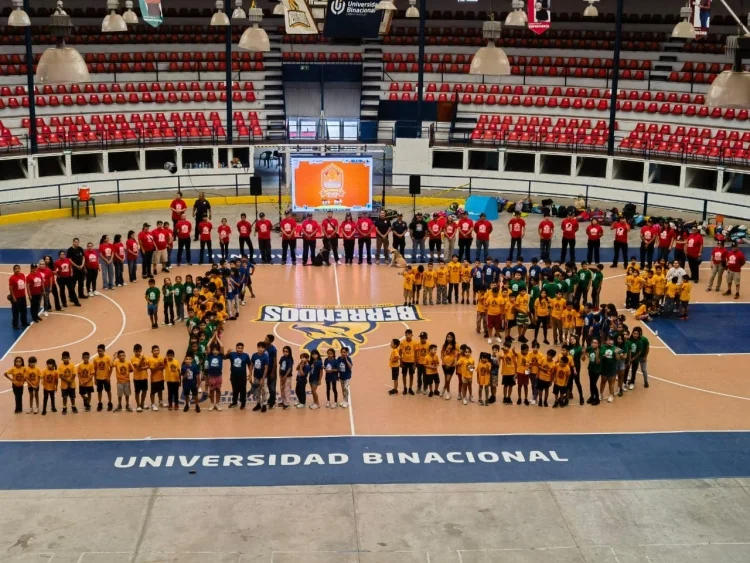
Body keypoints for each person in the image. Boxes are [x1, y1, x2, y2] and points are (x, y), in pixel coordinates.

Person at [225, 342, 250, 409]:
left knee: (243, 390)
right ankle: (234, 402)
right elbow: (224, 357)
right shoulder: (232, 354)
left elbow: (249, 365)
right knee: (235, 389)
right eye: (238, 348)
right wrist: (228, 352)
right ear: (236, 348)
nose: (240, 349)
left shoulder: (246, 355)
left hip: (242, 376)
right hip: (234, 376)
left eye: (241, 348)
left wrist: (250, 374)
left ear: (243, 349)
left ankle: (243, 403)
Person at [249, 341, 269, 412]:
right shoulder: (254, 355)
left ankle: (264, 405)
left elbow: (266, 368)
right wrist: (250, 375)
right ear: (257, 347)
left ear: (265, 349)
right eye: (259, 347)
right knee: (257, 391)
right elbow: (251, 365)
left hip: (263, 377)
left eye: (262, 348)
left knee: (264, 391)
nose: (261, 349)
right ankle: (258, 404)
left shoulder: (265, 357)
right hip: (256, 377)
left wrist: (263, 379)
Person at [93, 343, 113, 412]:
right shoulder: (95, 359)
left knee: (108, 391)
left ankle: (110, 403)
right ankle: (100, 403)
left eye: (101, 351)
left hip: (106, 378)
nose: (99, 352)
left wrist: (109, 377)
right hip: (98, 378)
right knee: (99, 391)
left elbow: (111, 367)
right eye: (98, 351)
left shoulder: (107, 358)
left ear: (104, 350)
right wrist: (95, 379)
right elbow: (94, 370)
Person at [8, 264, 29, 330]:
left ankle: (24, 322)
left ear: (20, 269)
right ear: (13, 270)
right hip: (16, 298)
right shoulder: (12, 278)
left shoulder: (22, 275)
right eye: (16, 269)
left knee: (24, 310)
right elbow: (11, 288)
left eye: (18, 268)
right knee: (15, 312)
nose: (17, 270)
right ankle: (15, 324)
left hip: (23, 296)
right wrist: (13, 297)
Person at [583, 338, 602, 405]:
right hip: (590, 368)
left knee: (594, 384)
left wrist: (597, 354)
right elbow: (585, 351)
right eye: (593, 342)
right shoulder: (590, 348)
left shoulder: (600, 351)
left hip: (597, 370)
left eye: (596, 343)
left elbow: (597, 362)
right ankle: (592, 396)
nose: (594, 344)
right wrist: (586, 354)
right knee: (591, 384)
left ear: (598, 344)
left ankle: (597, 399)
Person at [399, 328, 416, 395]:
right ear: (405, 335)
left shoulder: (414, 343)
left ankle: (410, 388)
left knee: (411, 375)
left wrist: (415, 363)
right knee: (404, 375)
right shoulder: (402, 343)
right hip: (404, 361)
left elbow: (416, 353)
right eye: (407, 334)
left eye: (409, 334)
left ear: (412, 335)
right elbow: (400, 353)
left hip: (412, 362)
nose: (408, 335)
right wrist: (400, 362)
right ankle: (405, 388)